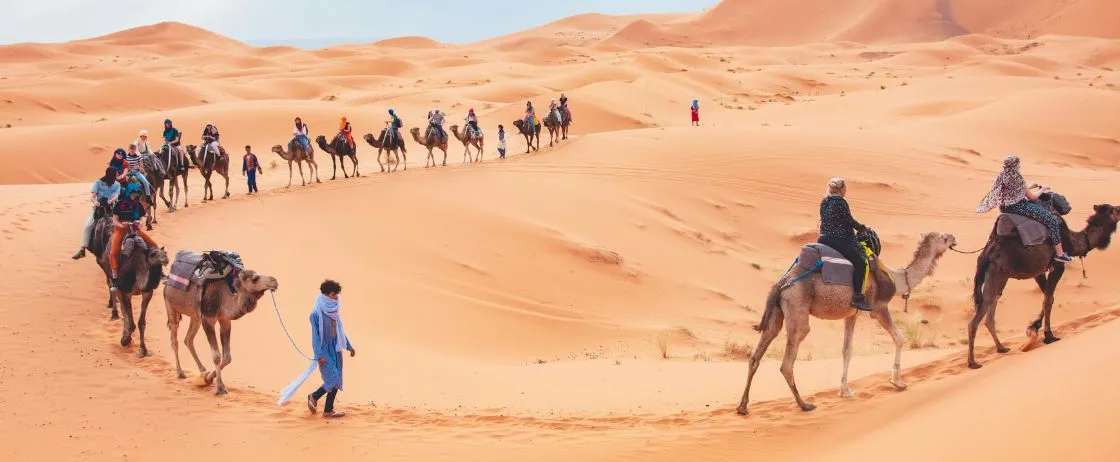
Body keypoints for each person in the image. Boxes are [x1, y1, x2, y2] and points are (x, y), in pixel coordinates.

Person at [976, 155, 1072, 263]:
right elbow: (1032, 197)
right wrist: (1043, 189)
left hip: (1005, 208)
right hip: (1019, 207)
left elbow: (1013, 191)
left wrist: (1029, 186)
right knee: (1052, 221)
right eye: (1018, 164)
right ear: (1016, 165)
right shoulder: (1018, 178)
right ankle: (1060, 254)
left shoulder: (1002, 176)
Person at [818, 178, 872, 311]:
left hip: (823, 239)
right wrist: (863, 228)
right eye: (845, 188)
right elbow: (849, 221)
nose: (846, 190)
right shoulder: (841, 202)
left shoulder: (824, 201)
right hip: (838, 240)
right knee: (861, 262)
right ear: (841, 189)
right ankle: (857, 298)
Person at [306, 279, 355, 419]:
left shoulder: (334, 312)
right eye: (334, 295)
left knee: (337, 379)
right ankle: (313, 396)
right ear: (327, 294)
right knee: (332, 378)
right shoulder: (315, 314)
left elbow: (340, 331)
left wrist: (349, 346)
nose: (337, 297)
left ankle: (328, 410)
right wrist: (319, 355)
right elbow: (315, 337)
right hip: (324, 351)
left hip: (336, 349)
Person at [108, 185, 159, 290]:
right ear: (129, 193)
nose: (135, 195)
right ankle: (115, 277)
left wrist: (139, 222)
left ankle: (158, 270)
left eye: (136, 193)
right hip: (121, 229)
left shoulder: (138, 205)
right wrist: (122, 225)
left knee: (154, 245)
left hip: (135, 229)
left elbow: (142, 217)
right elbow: (114, 220)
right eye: (133, 193)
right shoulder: (119, 204)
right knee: (114, 252)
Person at [73, 167, 122, 259]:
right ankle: (82, 249)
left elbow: (116, 196)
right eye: (116, 174)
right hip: (99, 208)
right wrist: (95, 202)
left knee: (122, 225)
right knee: (87, 226)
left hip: (112, 208)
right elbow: (92, 196)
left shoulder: (117, 184)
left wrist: (111, 200)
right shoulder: (98, 183)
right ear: (111, 175)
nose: (118, 176)